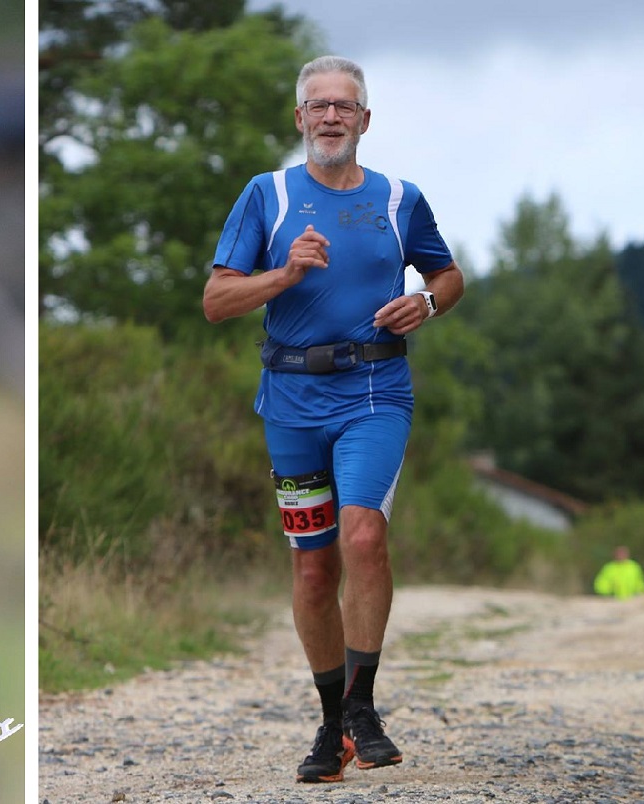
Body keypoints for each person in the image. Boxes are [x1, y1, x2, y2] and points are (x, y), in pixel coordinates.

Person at [201, 55, 466, 785]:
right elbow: (216, 300)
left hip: (375, 389)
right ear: (299, 118)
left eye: (343, 107)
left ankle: (362, 706)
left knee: (363, 532)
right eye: (317, 106)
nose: (329, 117)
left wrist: (430, 303)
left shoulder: (399, 199)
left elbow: (448, 274)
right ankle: (329, 724)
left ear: (364, 120)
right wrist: (283, 275)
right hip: (289, 401)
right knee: (313, 568)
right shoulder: (268, 196)